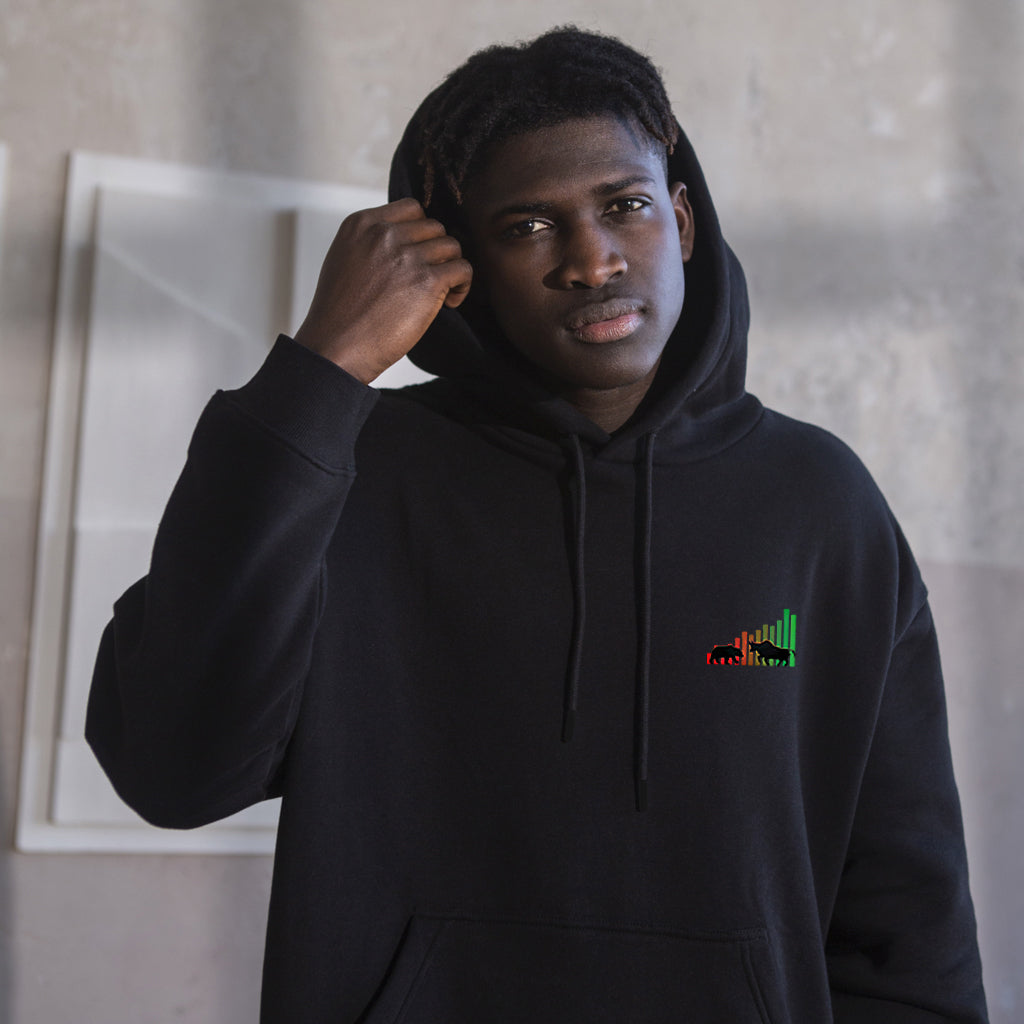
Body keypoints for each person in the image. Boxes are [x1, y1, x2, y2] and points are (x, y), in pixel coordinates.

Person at [86, 26, 988, 1023]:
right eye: (527, 226)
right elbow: (174, 769)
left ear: (683, 221)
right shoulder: (347, 472)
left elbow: (907, 913)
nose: (591, 261)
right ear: (459, 262)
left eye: (625, 206)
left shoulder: (821, 506)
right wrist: (322, 369)